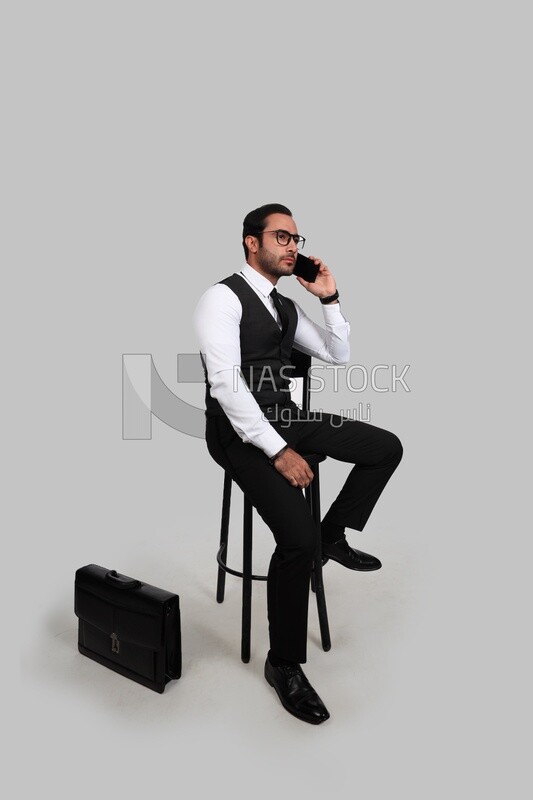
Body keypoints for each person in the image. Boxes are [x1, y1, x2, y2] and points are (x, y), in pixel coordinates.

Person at [193, 203, 403, 725]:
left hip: (286, 416)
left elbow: (338, 354)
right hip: (237, 431)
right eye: (281, 237)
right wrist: (278, 450)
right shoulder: (221, 298)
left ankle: (331, 535)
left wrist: (329, 297)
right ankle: (283, 662)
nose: (292, 246)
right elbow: (226, 385)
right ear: (251, 242)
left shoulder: (284, 306)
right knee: (294, 539)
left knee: (385, 447)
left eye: (296, 238)